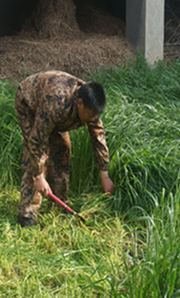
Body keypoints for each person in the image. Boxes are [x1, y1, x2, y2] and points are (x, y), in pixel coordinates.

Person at [15, 70, 115, 227]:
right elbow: (36, 141)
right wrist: (39, 176)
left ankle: (59, 205)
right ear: (80, 104)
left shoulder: (91, 106)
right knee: (35, 156)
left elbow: (98, 136)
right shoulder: (57, 101)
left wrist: (104, 173)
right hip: (28, 103)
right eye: (90, 116)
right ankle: (27, 214)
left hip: (52, 112)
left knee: (63, 149)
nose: (92, 120)